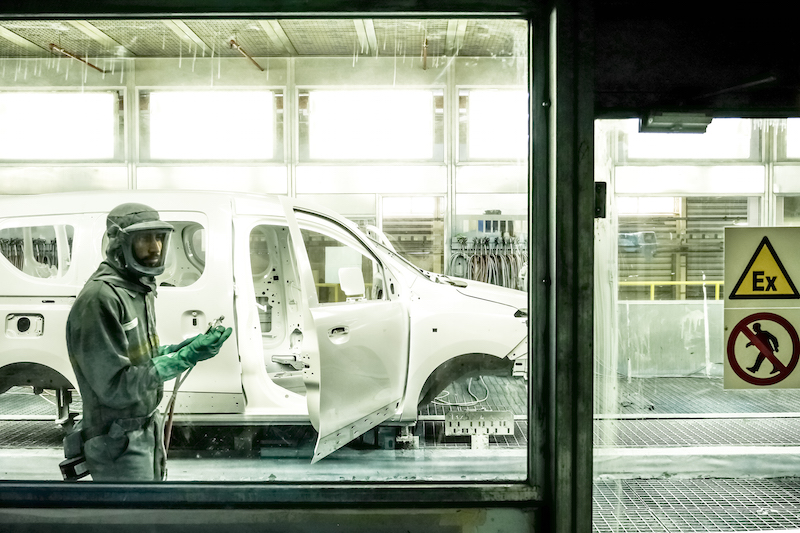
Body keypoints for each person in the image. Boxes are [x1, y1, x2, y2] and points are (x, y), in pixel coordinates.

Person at [65, 203, 232, 481]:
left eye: (159, 238)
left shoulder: (137, 289)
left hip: (143, 432)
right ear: (119, 243)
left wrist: (183, 349)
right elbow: (116, 388)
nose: (155, 247)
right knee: (132, 521)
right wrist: (184, 358)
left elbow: (143, 360)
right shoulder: (100, 298)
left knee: (150, 515)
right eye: (144, 239)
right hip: (116, 441)